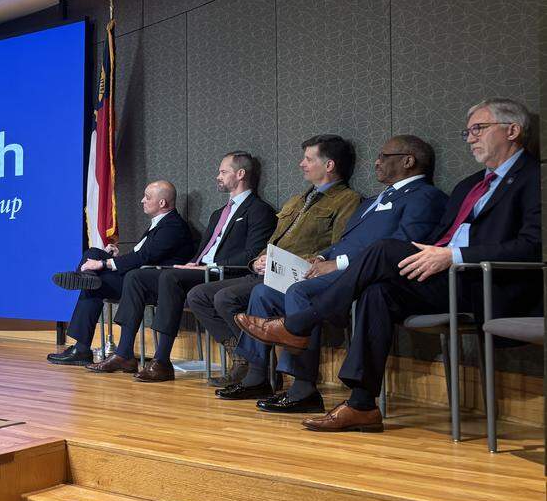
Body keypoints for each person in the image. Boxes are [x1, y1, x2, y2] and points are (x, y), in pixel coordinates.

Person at [238, 98, 541, 432]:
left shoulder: (534, 177)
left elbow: (533, 246)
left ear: (512, 130)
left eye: (478, 129)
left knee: (382, 250)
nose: (470, 138)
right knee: (377, 292)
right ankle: (362, 404)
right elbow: (438, 238)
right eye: (467, 131)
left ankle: (299, 325)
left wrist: (452, 256)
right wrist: (436, 254)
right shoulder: (468, 185)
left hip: (484, 283)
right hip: (440, 277)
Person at [223, 135, 447, 411]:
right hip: (331, 269)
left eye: (383, 156)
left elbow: (401, 246)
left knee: (299, 292)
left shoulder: (426, 197)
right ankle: (257, 376)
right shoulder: (373, 201)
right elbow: (343, 242)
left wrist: (339, 263)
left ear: (408, 161)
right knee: (263, 291)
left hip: (368, 279)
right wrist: (321, 258)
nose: (376, 162)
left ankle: (303, 388)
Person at [184, 135, 362, 387]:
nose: (301, 164)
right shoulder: (298, 200)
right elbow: (273, 240)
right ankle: (246, 358)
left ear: (329, 165)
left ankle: (257, 371)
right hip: (267, 272)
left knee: (228, 297)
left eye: (308, 159)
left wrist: (299, 262)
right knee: (200, 295)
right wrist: (258, 260)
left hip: (301, 275)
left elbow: (337, 247)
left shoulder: (348, 200)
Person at [106, 152, 277, 381]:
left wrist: (210, 266)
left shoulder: (259, 210)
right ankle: (124, 352)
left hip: (224, 274)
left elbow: (251, 255)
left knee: (170, 278)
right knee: (137, 277)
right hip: (201, 270)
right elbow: (205, 249)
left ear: (241, 174)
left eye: (223, 172)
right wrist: (193, 263)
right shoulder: (219, 214)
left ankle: (162, 360)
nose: (218, 176)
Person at [48, 181, 195, 367]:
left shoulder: (173, 226)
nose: (142, 200)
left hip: (149, 284)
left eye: (147, 197)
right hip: (136, 276)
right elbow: (141, 256)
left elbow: (144, 257)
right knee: (92, 253)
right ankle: (86, 279)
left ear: (162, 203)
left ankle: (82, 349)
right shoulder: (160, 224)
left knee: (93, 281)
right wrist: (115, 257)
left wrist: (104, 263)